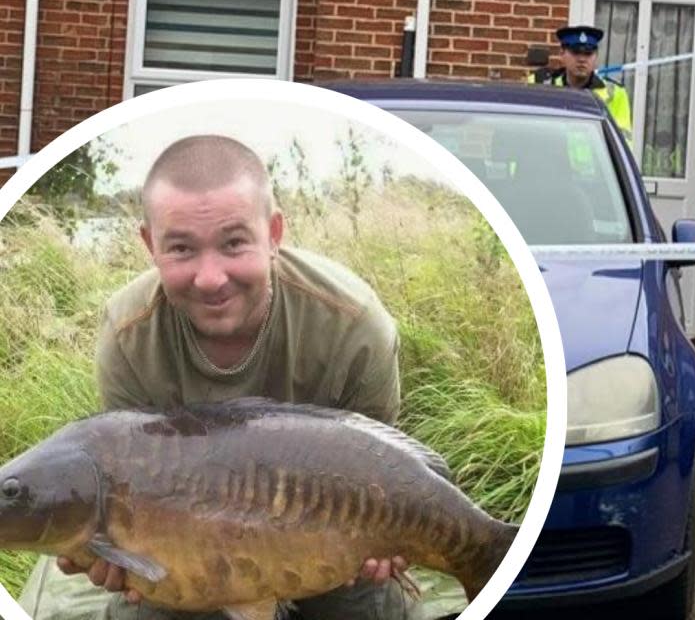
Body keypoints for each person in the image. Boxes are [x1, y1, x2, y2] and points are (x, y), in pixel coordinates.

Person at [20, 135, 465, 620]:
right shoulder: (128, 337)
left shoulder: (355, 325)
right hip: (192, 553)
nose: (210, 278)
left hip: (333, 551)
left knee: (370, 605)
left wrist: (384, 543)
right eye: (181, 248)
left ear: (274, 233)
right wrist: (110, 558)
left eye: (234, 243)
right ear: (150, 245)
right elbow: (129, 491)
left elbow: (383, 466)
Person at [528, 24, 633, 138]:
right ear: (562, 54)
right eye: (576, 52)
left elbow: (623, 140)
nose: (582, 59)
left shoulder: (615, 93)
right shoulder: (539, 85)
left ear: (596, 56)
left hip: (594, 156)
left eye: (588, 53)